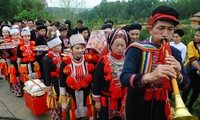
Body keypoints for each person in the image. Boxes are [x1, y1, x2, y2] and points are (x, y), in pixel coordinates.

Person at [120, 6, 189, 120]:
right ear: (150, 29)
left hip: (162, 107)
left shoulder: (175, 53)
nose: (166, 34)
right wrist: (150, 76)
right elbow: (124, 78)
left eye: (170, 29)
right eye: (161, 28)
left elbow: (186, 85)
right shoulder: (136, 49)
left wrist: (179, 75)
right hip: (137, 106)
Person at [92, 29, 130, 120]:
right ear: (110, 45)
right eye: (117, 45)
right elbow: (96, 81)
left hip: (124, 99)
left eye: (122, 45)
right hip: (107, 100)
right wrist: (97, 101)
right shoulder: (103, 61)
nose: (120, 48)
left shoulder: (129, 60)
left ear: (126, 46)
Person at [60, 34, 95, 120]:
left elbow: (92, 80)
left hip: (85, 94)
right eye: (77, 48)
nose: (80, 50)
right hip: (71, 95)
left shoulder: (88, 60)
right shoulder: (65, 63)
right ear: (71, 49)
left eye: (82, 48)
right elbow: (62, 82)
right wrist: (64, 101)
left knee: (85, 116)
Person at [43, 37, 62, 120]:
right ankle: (56, 116)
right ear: (53, 47)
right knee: (55, 98)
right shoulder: (47, 58)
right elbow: (46, 73)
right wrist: (48, 87)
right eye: (58, 46)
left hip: (60, 79)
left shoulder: (59, 54)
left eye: (60, 45)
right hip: (53, 81)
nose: (60, 47)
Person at [181, 27, 200, 111]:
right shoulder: (191, 44)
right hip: (191, 70)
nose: (196, 37)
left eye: (199, 36)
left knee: (196, 90)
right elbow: (192, 59)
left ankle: (189, 106)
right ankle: (181, 106)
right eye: (196, 35)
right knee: (187, 89)